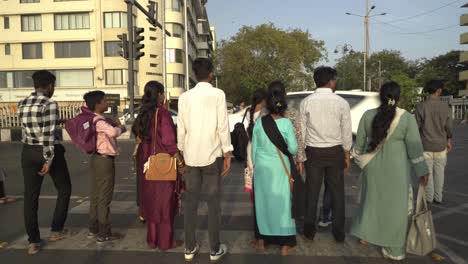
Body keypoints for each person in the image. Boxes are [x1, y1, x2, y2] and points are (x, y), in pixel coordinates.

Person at [350, 82, 429, 260]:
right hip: (398, 173)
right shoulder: (407, 118)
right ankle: (394, 251)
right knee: (396, 211)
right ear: (398, 97)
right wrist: (422, 171)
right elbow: (415, 149)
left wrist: (358, 160)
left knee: (371, 204)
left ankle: (368, 235)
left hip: (372, 170)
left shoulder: (368, 116)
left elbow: (360, 146)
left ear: (381, 96)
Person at [177, 58, 232, 262]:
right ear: (210, 74)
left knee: (190, 203)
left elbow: (181, 128)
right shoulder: (218, 94)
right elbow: (223, 126)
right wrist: (228, 152)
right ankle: (214, 249)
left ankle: (189, 248)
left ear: (194, 74)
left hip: (191, 156)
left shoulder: (185, 97)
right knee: (213, 204)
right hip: (212, 155)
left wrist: (181, 151)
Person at [18, 70, 72, 255]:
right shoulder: (49, 103)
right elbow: (48, 135)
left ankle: (33, 242)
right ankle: (56, 231)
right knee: (64, 189)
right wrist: (48, 159)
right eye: (53, 86)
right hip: (47, 150)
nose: (53, 90)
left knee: (30, 197)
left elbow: (29, 128)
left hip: (28, 151)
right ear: (49, 86)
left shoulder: (22, 103)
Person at [300, 66, 352, 242]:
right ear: (330, 82)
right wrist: (347, 153)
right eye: (335, 80)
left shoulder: (306, 102)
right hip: (335, 151)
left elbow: (302, 131)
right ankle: (338, 231)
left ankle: (309, 230)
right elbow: (346, 130)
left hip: (313, 151)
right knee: (337, 193)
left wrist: (302, 155)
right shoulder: (341, 102)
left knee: (311, 192)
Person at [132, 81, 183, 250]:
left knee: (152, 203)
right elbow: (168, 140)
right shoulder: (162, 114)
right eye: (162, 93)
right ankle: (165, 241)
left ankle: (152, 239)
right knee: (165, 204)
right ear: (159, 94)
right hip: (162, 164)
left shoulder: (143, 114)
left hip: (147, 164)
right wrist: (179, 160)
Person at [251, 81, 298, 256]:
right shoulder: (286, 123)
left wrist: (257, 165)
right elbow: (293, 149)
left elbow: (254, 149)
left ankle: (262, 241)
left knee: (263, 204)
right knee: (283, 203)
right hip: (281, 167)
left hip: (262, 168)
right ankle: (285, 244)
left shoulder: (259, 123)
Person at [83, 91, 126, 244]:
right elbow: (113, 132)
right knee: (104, 197)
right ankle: (104, 232)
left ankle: (93, 229)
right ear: (98, 104)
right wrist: (122, 128)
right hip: (104, 161)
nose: (107, 103)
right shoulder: (99, 121)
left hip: (96, 158)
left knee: (95, 194)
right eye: (104, 101)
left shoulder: (92, 119)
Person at [415, 80, 453, 205]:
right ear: (439, 90)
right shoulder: (445, 107)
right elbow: (449, 127)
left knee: (428, 173)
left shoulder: (421, 106)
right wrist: (448, 140)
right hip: (441, 145)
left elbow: (417, 127)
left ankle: (429, 197)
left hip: (425, 145)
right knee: (440, 172)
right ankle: (439, 197)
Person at [244, 88, 268, 249]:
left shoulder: (248, 112)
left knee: (256, 201)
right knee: (266, 200)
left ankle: (259, 236)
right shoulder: (266, 115)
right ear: (264, 100)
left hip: (250, 156)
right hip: (262, 157)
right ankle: (265, 235)